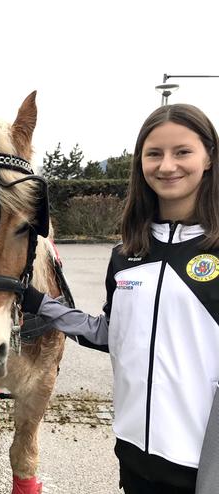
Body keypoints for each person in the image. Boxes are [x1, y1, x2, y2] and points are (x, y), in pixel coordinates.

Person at [21, 103, 219, 494]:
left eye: (182, 152)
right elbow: (113, 334)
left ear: (209, 157)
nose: (167, 166)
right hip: (132, 456)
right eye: (154, 153)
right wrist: (38, 301)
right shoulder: (126, 255)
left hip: (203, 469)